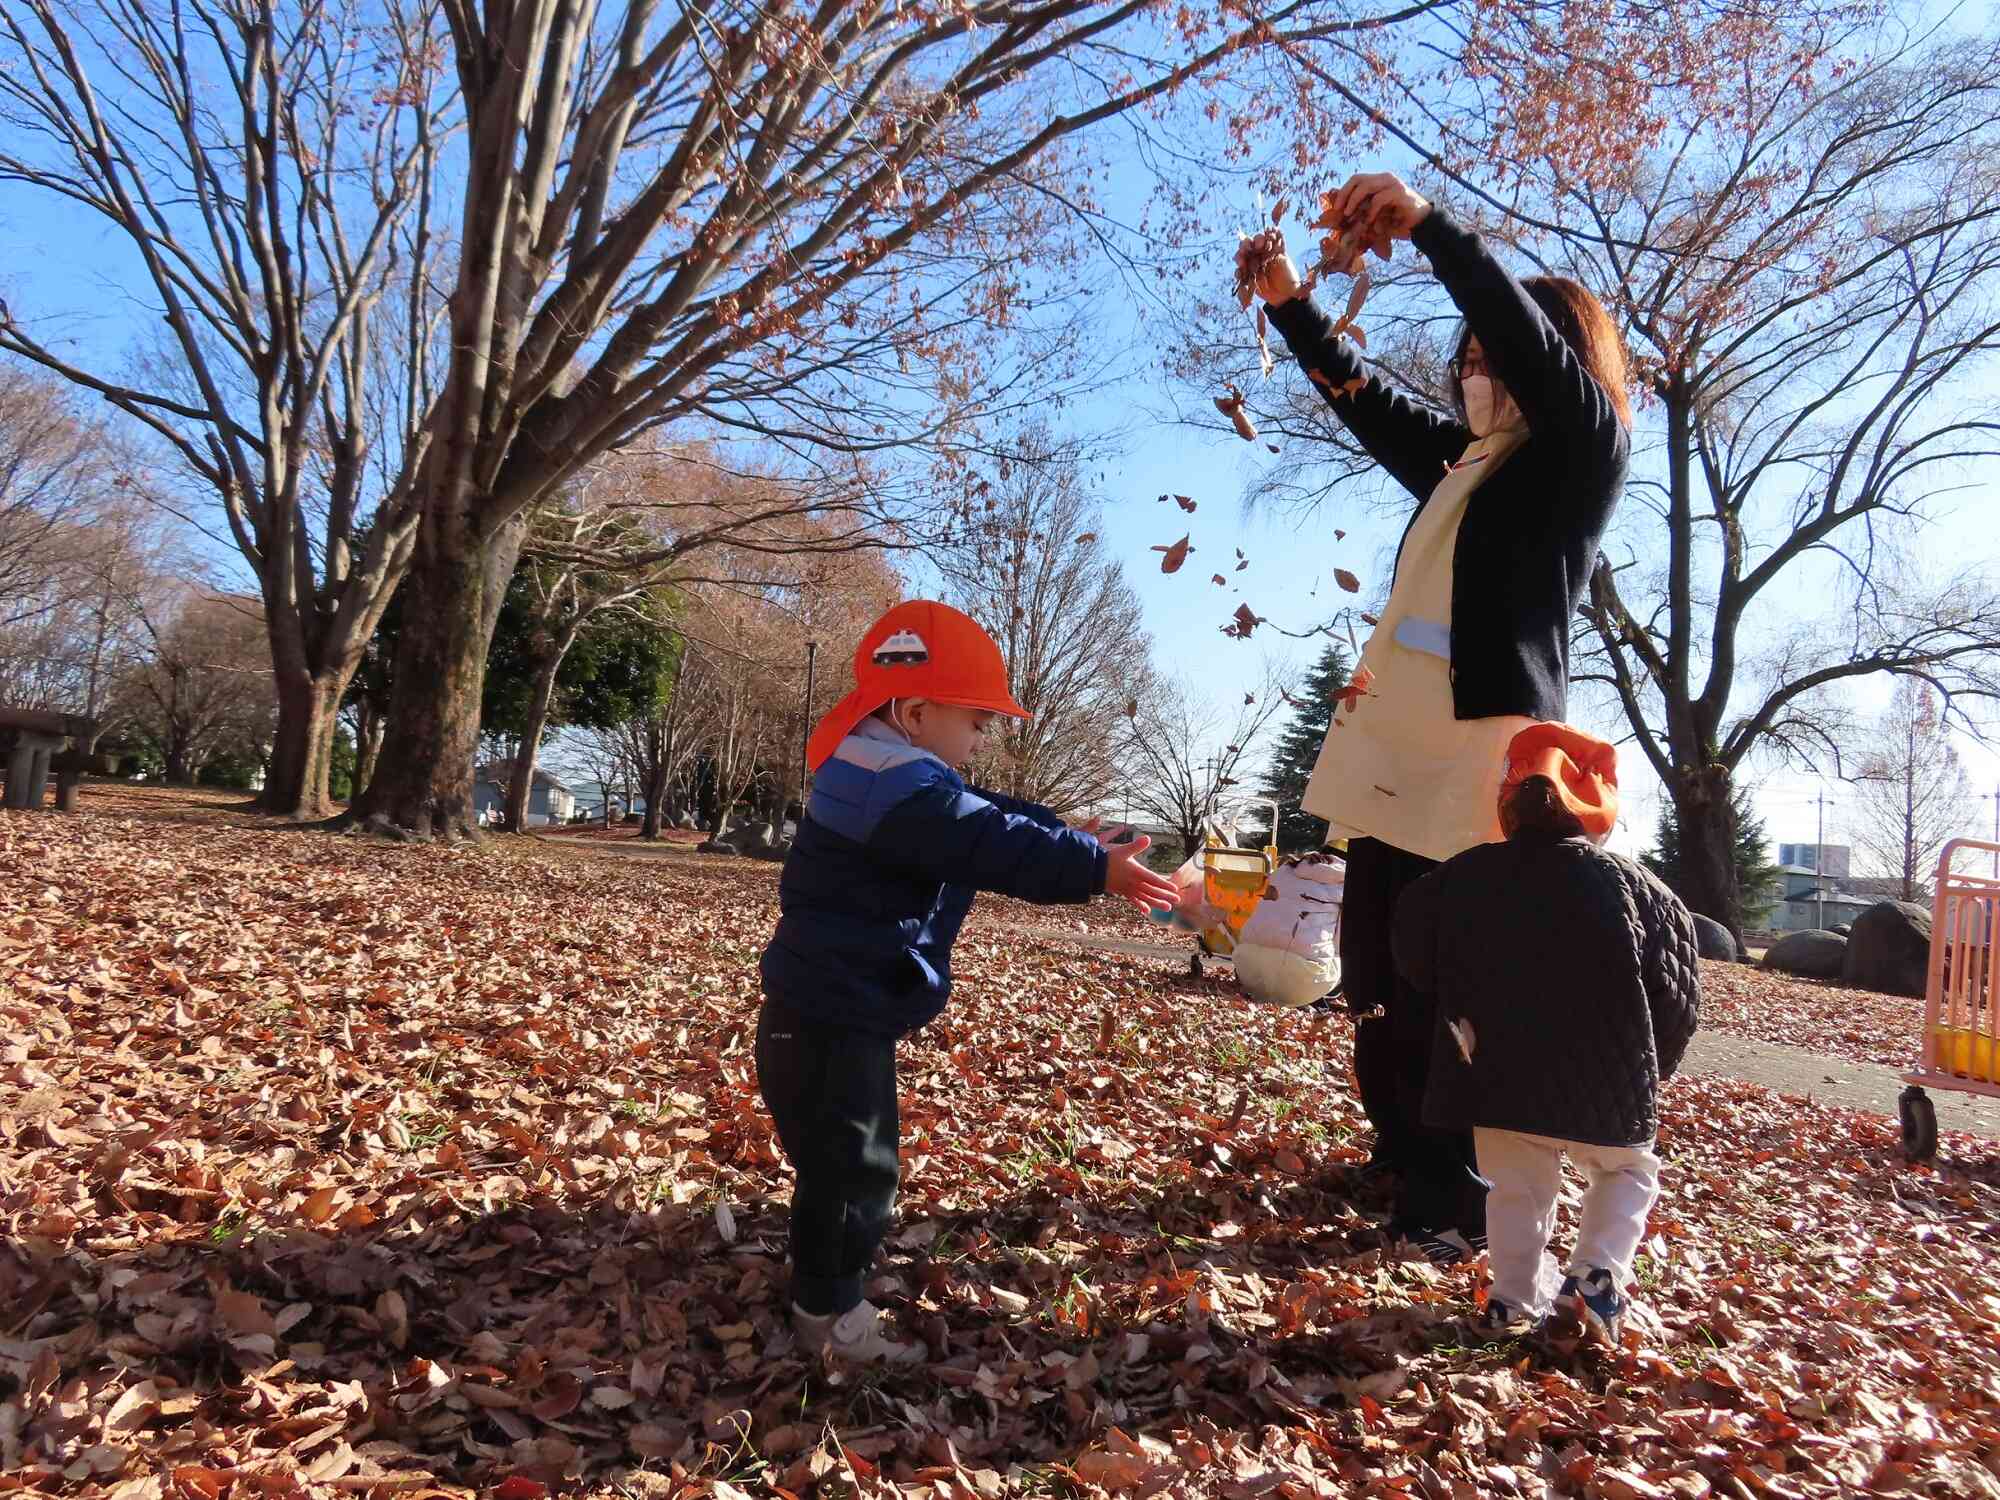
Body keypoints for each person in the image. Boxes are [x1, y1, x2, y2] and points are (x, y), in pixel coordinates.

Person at [1238, 171, 1635, 1263]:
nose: (1469, 368)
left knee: (1444, 978)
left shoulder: (1574, 457)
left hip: (1480, 762)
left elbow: (1538, 353)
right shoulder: (1463, 467)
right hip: (1390, 753)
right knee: (1371, 969)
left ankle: (1451, 1190)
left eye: (1485, 352)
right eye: (1460, 357)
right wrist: (1287, 302)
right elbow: (1361, 396)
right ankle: (1397, 1151)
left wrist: (1430, 232)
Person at [757, 599, 1179, 1363]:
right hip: (830, 1013)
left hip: (829, 1006)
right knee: (856, 1169)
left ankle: (822, 1262)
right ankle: (827, 1316)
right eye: (978, 722)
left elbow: (994, 814)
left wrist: (1069, 833)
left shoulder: (878, 766)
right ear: (916, 712)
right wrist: (1091, 867)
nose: (982, 741)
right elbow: (985, 839)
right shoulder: (895, 787)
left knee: (840, 1160)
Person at [1391, 723, 1700, 1343]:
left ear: (1506, 807)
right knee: (1626, 1171)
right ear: (1599, 814)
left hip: (1494, 1070)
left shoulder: (1458, 877)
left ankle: (1512, 1300)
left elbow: (1412, 952)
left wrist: (1456, 999)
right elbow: (1676, 1001)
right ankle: (1595, 1275)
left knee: (1516, 1190)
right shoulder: (1645, 892)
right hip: (1605, 1072)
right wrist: (1650, 1069)